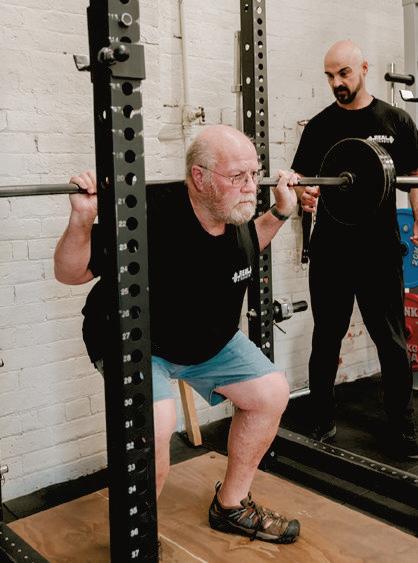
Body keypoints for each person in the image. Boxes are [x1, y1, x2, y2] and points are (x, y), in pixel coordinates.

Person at [54, 125, 301, 544]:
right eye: (237, 176)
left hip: (206, 338)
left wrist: (279, 212)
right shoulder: (145, 212)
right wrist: (82, 219)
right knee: (157, 421)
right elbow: (70, 272)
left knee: (271, 393)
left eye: (254, 174)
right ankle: (134, 538)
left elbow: (247, 245)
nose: (250, 186)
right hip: (135, 339)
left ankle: (231, 506)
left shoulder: (235, 211)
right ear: (199, 177)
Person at [291, 39, 418, 459]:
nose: (337, 83)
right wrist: (304, 195)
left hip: (380, 250)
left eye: (343, 73)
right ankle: (320, 417)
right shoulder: (320, 127)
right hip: (332, 250)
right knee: (327, 336)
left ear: (363, 68)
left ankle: (400, 426)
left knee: (391, 341)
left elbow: (415, 177)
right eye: (330, 76)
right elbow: (301, 180)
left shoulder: (395, 121)